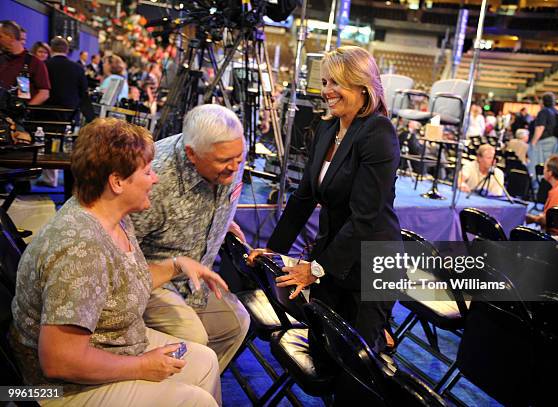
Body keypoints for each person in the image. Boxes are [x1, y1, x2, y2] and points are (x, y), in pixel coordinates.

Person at [10, 118, 224, 406]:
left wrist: (176, 264)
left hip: (115, 343)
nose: (156, 179)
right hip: (53, 389)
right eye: (148, 172)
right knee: (196, 401)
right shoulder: (81, 248)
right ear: (117, 181)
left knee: (206, 361)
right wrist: (141, 366)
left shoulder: (113, 217)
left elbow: (122, 281)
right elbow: (59, 361)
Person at [247, 45, 401, 403]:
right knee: (327, 351)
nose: (328, 90)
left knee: (359, 367)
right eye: (325, 81)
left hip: (372, 262)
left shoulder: (378, 132)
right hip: (334, 254)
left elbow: (365, 217)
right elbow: (303, 198)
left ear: (363, 86)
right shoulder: (327, 128)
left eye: (338, 82)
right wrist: (275, 248)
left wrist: (315, 269)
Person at [131, 104, 250, 373]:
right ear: (191, 154)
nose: (234, 168)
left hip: (198, 277)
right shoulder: (155, 180)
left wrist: (221, 221)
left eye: (239, 157)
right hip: (153, 278)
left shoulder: (230, 153)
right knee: (195, 340)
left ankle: (199, 388)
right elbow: (117, 254)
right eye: (224, 161)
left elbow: (220, 190)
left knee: (237, 323)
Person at [0, 20, 50, 105]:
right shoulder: (2, 59)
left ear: (10, 37)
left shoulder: (34, 63)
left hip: (19, 115)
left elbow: (44, 93)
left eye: (0, 36)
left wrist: (25, 110)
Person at [527, 92, 558, 182]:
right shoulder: (556, 112)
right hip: (555, 143)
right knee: (548, 167)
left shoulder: (544, 112)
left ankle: (536, 188)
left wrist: (533, 143)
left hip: (543, 142)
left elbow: (540, 128)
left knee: (537, 166)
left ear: (543, 101)